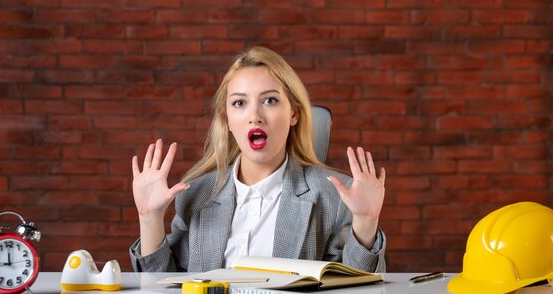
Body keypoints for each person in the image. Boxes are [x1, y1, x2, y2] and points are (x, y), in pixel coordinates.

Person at [129, 47, 386, 273]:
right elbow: (162, 291)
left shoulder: (334, 197)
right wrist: (150, 217)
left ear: (293, 113)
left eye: (270, 100)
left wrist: (365, 222)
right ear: (227, 119)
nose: (255, 116)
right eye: (239, 103)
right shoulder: (195, 194)